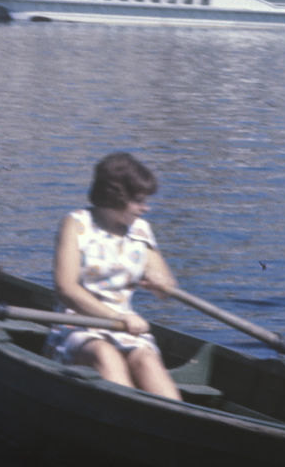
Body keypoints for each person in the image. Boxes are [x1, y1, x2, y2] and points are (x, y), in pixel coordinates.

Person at [45, 151, 184, 401]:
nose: (146, 207)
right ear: (116, 196)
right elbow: (66, 289)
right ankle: (129, 418)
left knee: (147, 359)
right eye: (139, 200)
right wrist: (117, 317)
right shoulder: (76, 224)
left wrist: (160, 283)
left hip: (126, 328)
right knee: (105, 354)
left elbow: (166, 288)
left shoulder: (140, 230)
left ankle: (180, 422)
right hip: (77, 324)